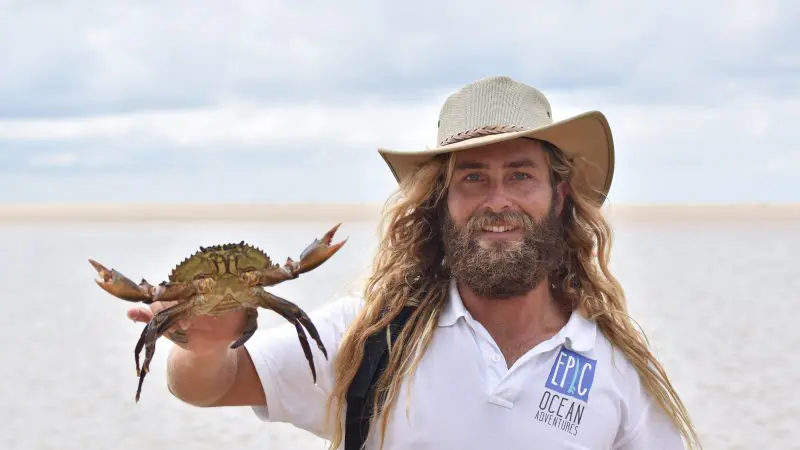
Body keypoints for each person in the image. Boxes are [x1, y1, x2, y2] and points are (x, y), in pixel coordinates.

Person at [127, 75, 701, 449]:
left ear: (561, 195)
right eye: (473, 177)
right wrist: (202, 345)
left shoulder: (614, 368)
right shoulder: (371, 336)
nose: (497, 200)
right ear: (439, 203)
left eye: (520, 175)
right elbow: (209, 387)